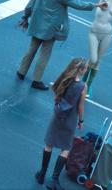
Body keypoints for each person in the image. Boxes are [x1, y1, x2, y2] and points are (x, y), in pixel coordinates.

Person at [16, 0, 107, 90]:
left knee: (31, 50)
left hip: (37, 24)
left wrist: (25, 17)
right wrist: (96, 5)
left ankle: (21, 72)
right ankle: (36, 80)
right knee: (44, 54)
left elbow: (30, 4)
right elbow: (78, 4)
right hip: (50, 29)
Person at [35, 57, 88, 190]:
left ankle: (42, 174)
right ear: (81, 70)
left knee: (49, 144)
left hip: (58, 115)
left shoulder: (64, 79)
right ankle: (54, 180)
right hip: (70, 119)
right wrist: (81, 121)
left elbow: (55, 93)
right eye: (86, 67)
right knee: (66, 148)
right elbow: (81, 106)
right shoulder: (83, 86)